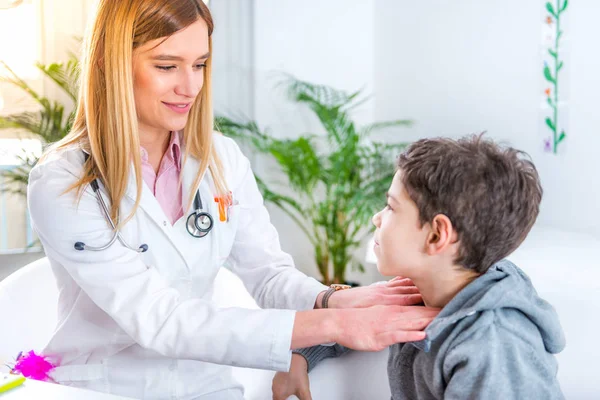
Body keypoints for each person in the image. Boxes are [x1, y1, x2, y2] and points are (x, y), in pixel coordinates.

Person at [23, 1, 439, 399]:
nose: (190, 86)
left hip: (205, 386)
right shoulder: (64, 182)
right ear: (109, 65)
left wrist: (333, 299)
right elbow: (162, 321)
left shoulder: (221, 159)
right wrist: (333, 324)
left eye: (200, 64)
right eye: (166, 66)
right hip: (104, 388)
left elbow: (268, 276)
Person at [272, 135, 566, 400]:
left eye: (390, 207)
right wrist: (300, 356)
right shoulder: (425, 288)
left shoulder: (493, 349)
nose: (377, 218)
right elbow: (360, 327)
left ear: (437, 235)